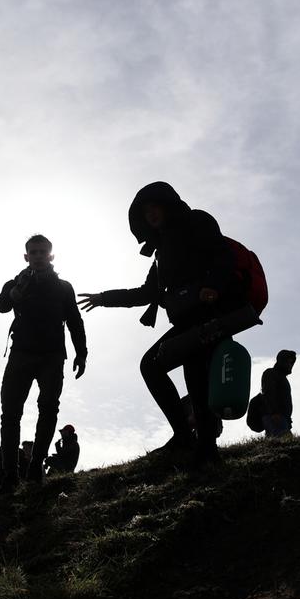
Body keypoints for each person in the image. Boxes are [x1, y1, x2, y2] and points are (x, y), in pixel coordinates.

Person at [79, 182, 244, 467]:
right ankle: (189, 439)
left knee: (195, 379)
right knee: (154, 366)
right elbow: (146, 294)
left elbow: (223, 257)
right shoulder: (161, 251)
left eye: (154, 206)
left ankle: (204, 449)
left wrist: (213, 286)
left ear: (166, 204)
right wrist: (103, 298)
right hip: (186, 321)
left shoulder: (197, 221)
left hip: (210, 314)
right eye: (145, 211)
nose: (150, 214)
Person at [0, 234, 87, 494]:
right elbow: (2, 305)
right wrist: (16, 291)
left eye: (42, 252)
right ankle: (10, 476)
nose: (38, 256)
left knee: (48, 409)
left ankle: (36, 467)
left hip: (52, 356)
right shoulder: (16, 282)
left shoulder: (63, 287)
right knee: (10, 414)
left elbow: (74, 321)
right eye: (33, 252)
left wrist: (82, 353)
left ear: (51, 255)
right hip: (21, 354)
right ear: (26, 256)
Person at [261, 350, 296, 437]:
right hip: (275, 417)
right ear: (282, 361)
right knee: (285, 444)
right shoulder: (271, 373)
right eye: (288, 361)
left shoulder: (282, 377)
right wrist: (274, 412)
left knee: (281, 444)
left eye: (292, 362)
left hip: (282, 418)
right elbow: (269, 393)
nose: (290, 364)